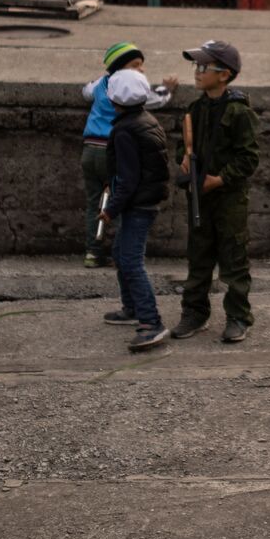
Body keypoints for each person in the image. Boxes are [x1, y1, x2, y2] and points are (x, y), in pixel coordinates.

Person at [171, 40, 260, 344]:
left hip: (229, 198)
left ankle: (238, 316)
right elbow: (183, 145)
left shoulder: (239, 112)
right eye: (196, 66)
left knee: (233, 259)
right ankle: (194, 312)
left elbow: (248, 158)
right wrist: (183, 157)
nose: (197, 72)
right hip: (200, 195)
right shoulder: (195, 109)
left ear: (224, 74)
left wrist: (220, 180)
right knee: (198, 256)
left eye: (203, 67)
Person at [80, 42, 177, 268]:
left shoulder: (100, 86)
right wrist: (167, 89)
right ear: (122, 69)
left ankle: (92, 252)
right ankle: (121, 253)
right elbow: (154, 99)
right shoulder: (129, 96)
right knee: (122, 201)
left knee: (94, 202)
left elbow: (85, 92)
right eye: (136, 66)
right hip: (112, 151)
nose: (141, 70)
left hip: (89, 150)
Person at [98, 69, 171, 351]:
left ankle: (151, 322)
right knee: (121, 253)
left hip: (137, 204)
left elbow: (128, 178)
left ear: (114, 99)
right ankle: (131, 309)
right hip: (146, 199)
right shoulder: (147, 120)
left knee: (130, 261)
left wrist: (110, 209)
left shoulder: (125, 130)